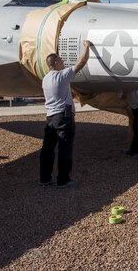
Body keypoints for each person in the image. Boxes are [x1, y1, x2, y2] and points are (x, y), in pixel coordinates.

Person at [39, 40, 91, 188]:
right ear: (55, 63)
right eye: (61, 61)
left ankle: (45, 178)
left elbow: (60, 93)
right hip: (64, 115)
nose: (63, 63)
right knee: (65, 147)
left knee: (48, 148)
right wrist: (87, 47)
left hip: (50, 116)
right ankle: (63, 179)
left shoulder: (46, 79)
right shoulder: (62, 76)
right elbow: (81, 62)